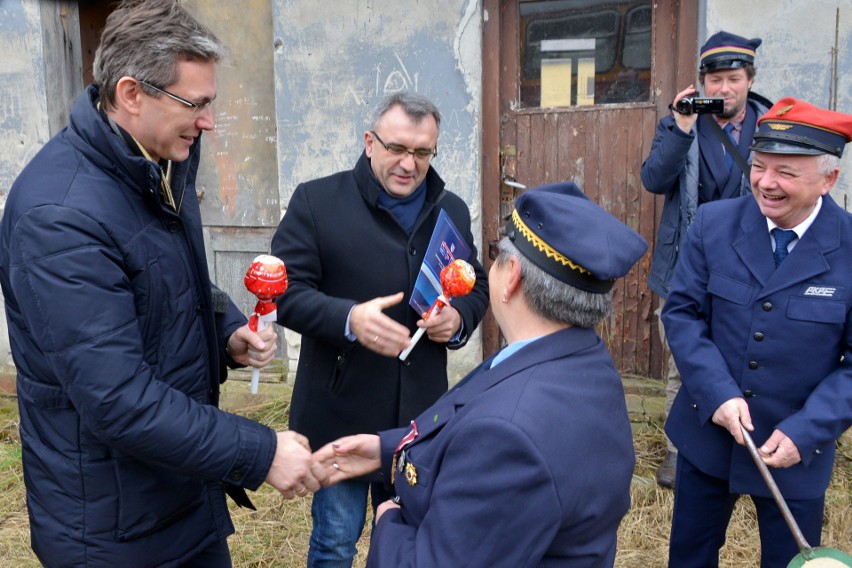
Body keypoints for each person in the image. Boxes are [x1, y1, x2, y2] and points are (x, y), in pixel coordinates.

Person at [0, 1, 326, 566]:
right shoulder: (60, 217)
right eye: (195, 104)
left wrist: (225, 329)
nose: (209, 122)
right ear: (131, 94)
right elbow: (117, 399)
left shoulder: (158, 162)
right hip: (112, 526)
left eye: (211, 102)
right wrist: (260, 449)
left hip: (179, 489)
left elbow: (167, 280)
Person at [311, 182, 648, 567]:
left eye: (496, 256)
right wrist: (391, 452)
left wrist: (389, 521)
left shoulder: (508, 436)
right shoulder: (581, 362)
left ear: (512, 277)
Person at [270, 92, 489, 567]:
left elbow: (476, 286)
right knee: (334, 544)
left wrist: (458, 321)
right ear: (369, 142)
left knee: (411, 541)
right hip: (340, 415)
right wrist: (348, 319)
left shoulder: (451, 208)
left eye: (423, 152)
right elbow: (286, 295)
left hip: (418, 421)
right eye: (397, 148)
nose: (410, 164)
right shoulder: (317, 201)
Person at [662, 97, 852, 568]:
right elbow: (683, 314)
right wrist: (716, 393)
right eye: (760, 166)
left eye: (786, 173)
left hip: (796, 451)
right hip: (710, 437)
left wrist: (807, 431)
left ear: (828, 179)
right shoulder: (714, 224)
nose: (767, 183)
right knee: (689, 556)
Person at [640, 31, 772, 487]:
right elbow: (654, 179)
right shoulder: (682, 123)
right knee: (684, 362)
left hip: (750, 270)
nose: (723, 89)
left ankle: (746, 449)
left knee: (744, 358)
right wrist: (680, 128)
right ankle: (682, 452)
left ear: (749, 80)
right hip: (686, 268)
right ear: (702, 83)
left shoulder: (773, 125)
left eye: (733, 78)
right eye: (714, 79)